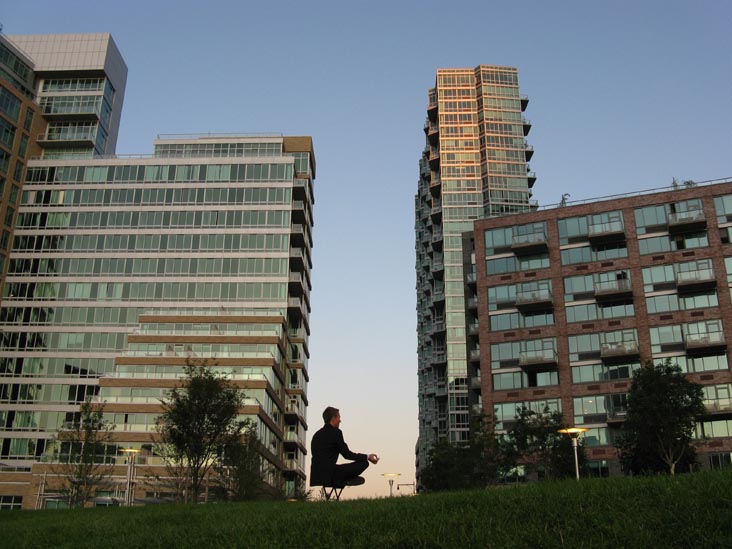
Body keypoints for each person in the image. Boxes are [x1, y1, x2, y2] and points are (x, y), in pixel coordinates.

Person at [310, 406, 379, 488]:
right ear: (333, 418)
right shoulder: (336, 432)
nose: (340, 420)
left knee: (338, 468)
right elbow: (347, 455)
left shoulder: (316, 435)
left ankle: (343, 479)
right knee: (364, 463)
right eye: (338, 417)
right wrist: (367, 457)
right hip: (331, 475)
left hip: (316, 476)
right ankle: (343, 480)